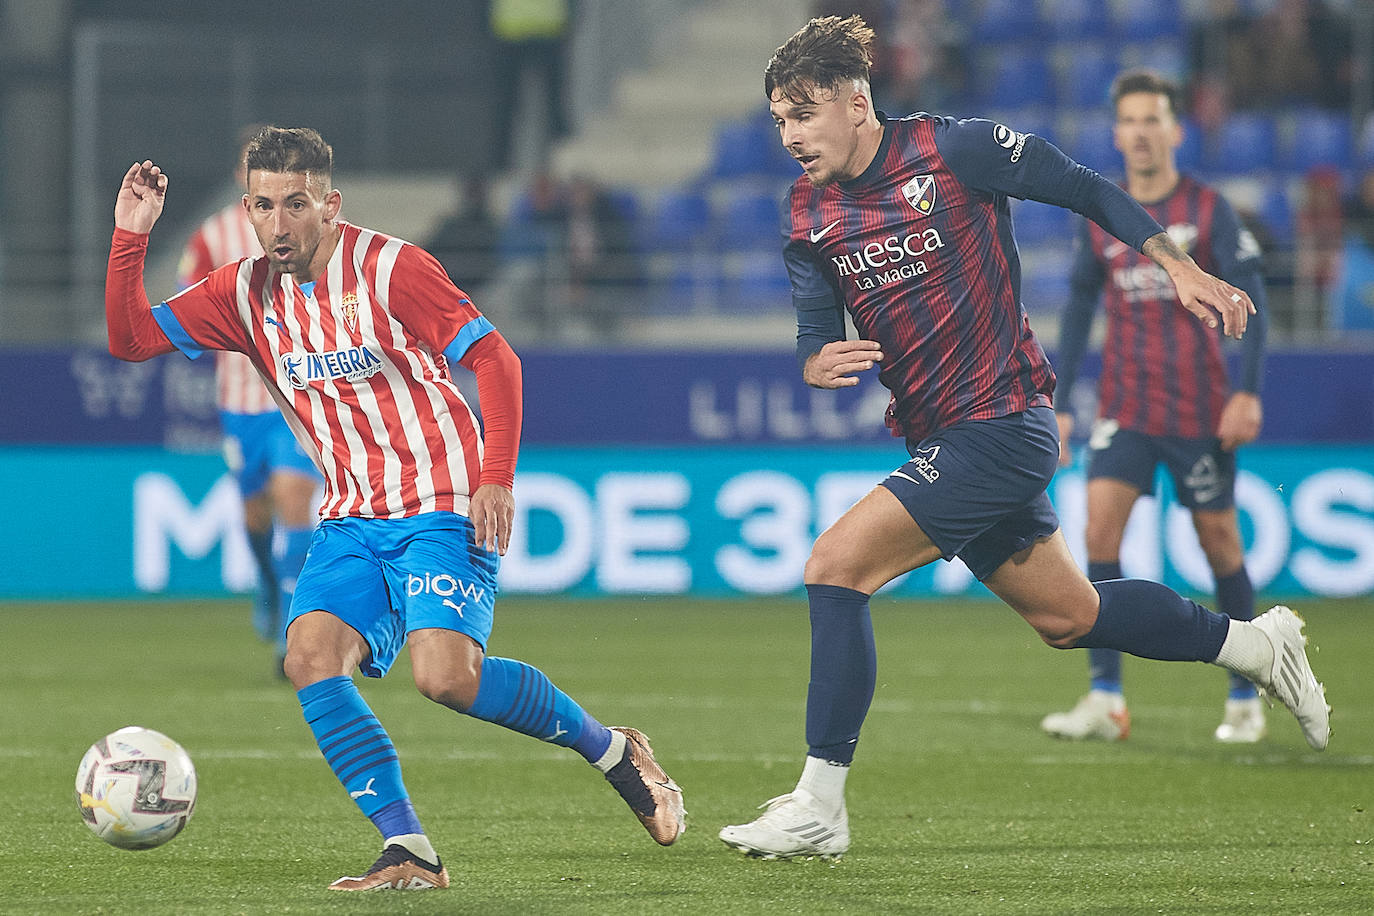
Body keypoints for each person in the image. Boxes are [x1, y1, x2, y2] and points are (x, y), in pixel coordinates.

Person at [718, 16, 1329, 861]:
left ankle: (820, 803)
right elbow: (815, 316)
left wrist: (1178, 264)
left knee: (834, 568)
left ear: (858, 104)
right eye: (780, 121)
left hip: (1003, 424)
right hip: (939, 433)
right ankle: (1258, 644)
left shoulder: (953, 149)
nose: (791, 137)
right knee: (1069, 616)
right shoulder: (807, 209)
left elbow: (1082, 185)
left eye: (805, 115)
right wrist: (814, 355)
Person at [106, 127, 684, 891]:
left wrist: (497, 477)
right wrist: (130, 235)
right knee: (309, 658)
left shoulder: (392, 268)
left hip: (443, 501)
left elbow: (493, 357)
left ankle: (613, 749)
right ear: (247, 208)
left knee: (445, 678)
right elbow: (131, 338)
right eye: (264, 206)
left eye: (297, 204)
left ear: (330, 204)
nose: (280, 225)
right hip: (351, 514)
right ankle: (409, 849)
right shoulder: (243, 293)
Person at [1042, 70, 1270, 745]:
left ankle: (1247, 691)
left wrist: (1248, 391)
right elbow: (1082, 308)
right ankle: (1106, 697)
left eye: (1153, 119)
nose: (1141, 132)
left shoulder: (1207, 209)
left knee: (1218, 542)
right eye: (1130, 121)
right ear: (1116, 133)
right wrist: (1058, 401)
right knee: (1099, 537)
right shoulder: (1104, 216)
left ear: (1174, 129)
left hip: (1199, 411)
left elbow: (1252, 300)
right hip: (1126, 406)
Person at [177, 127, 321, 673]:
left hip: (299, 396)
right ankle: (267, 583)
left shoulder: (312, 231)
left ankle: (295, 634)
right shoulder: (213, 237)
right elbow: (188, 305)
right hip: (240, 403)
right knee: (255, 512)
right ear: (244, 177)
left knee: (292, 499)